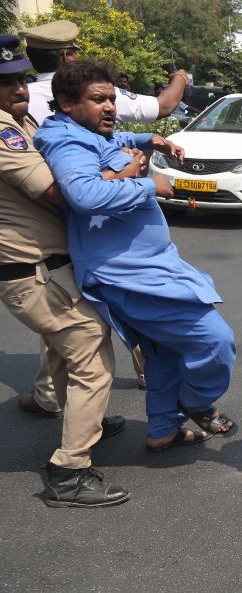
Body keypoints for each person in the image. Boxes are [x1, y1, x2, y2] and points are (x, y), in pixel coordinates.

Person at [34, 61, 238, 452]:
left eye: (111, 98)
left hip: (146, 267)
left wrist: (152, 139)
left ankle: (163, 428)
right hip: (127, 274)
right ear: (66, 102)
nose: (110, 107)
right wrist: (149, 184)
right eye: (99, 100)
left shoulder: (89, 130)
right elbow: (86, 196)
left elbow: (115, 140)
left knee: (163, 349)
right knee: (214, 341)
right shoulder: (67, 142)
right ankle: (194, 401)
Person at [0, 35, 129, 507]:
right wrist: (127, 177)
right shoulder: (3, 132)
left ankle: (80, 419)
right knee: (92, 356)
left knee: (61, 351)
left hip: (43, 265)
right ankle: (69, 473)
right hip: (31, 269)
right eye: (6, 81)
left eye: (20, 77)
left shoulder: (22, 119)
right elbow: (64, 193)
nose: (17, 87)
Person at [18, 20, 188, 125]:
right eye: (74, 52)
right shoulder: (92, 90)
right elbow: (164, 106)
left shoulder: (18, 97)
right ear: (67, 57)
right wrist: (180, 77)